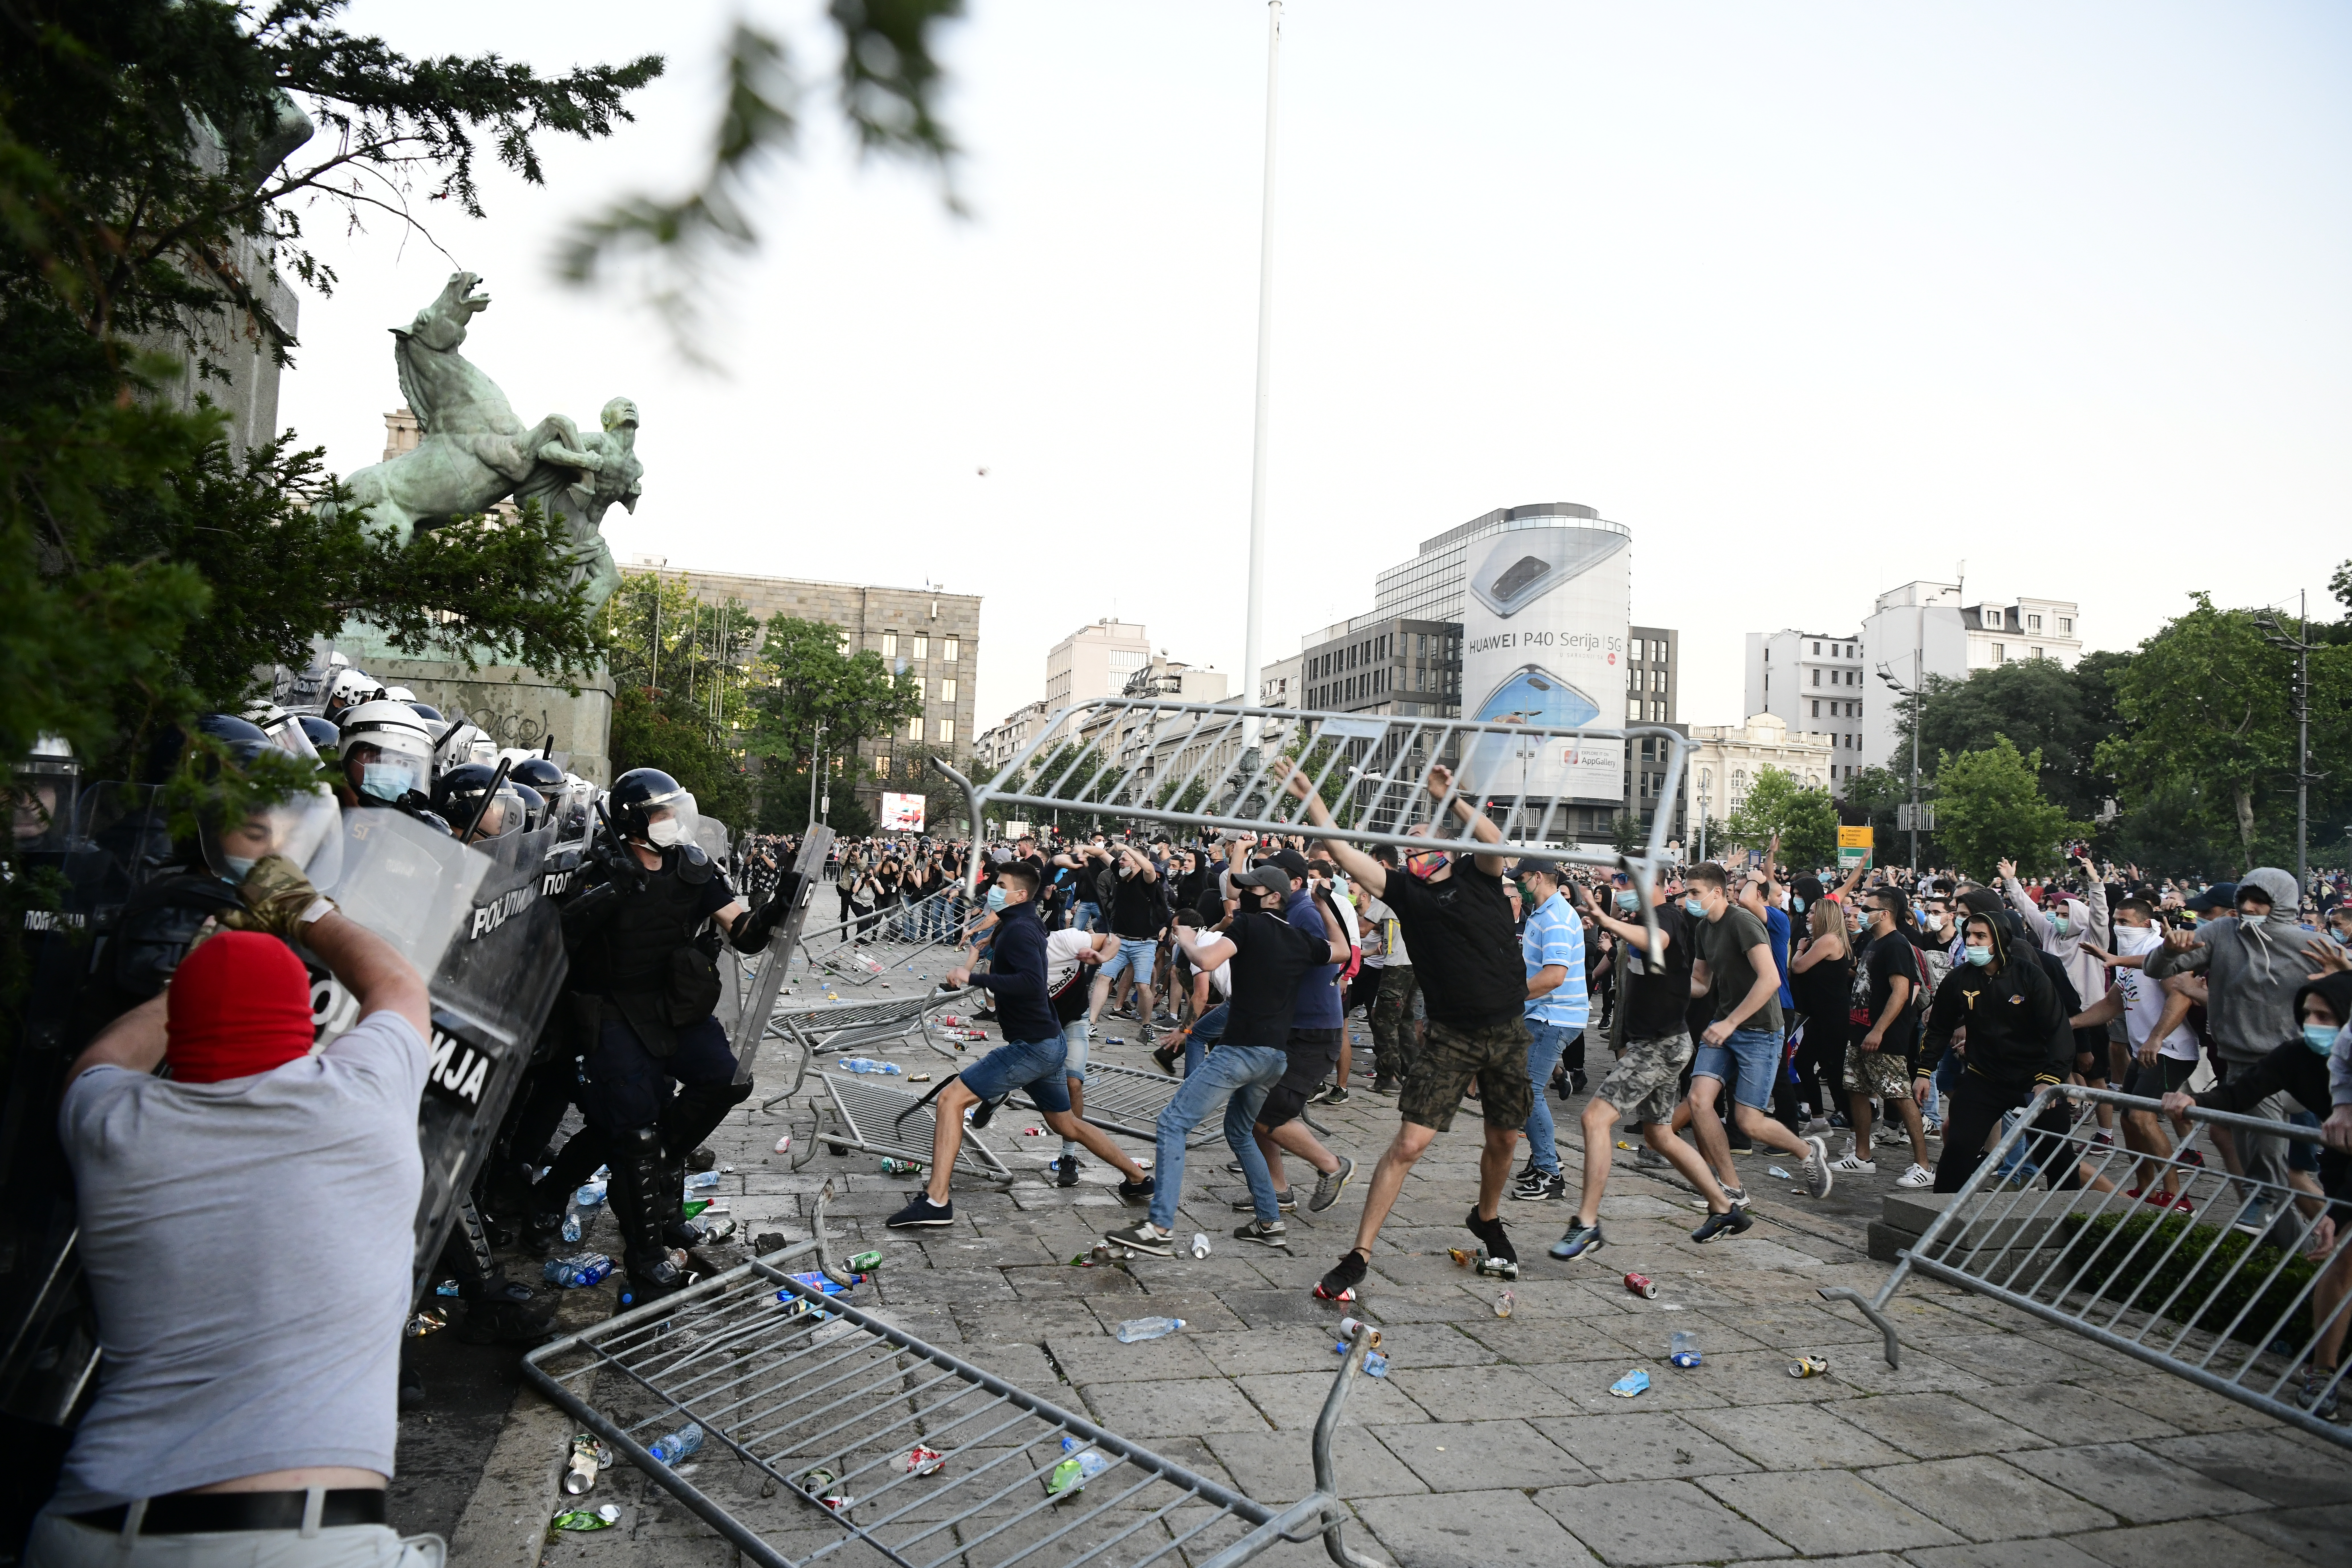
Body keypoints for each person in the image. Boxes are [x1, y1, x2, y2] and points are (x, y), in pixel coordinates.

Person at [30, 859, 442, 1565]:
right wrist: (305, 910)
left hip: (91, 1527)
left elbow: (104, 1057)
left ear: (178, 1029)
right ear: (305, 1024)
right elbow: (398, 987)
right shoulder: (363, 1100)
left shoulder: (112, 1126)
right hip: (298, 1543)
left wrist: (185, 984)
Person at [1271, 760, 1529, 1301]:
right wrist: (1311, 796)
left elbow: (1495, 840)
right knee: (1410, 1143)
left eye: (1422, 840)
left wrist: (1452, 799)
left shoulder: (1479, 874)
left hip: (1506, 1029)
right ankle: (1359, 1254)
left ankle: (1486, 1217)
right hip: (1452, 1035)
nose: (1414, 849)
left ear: (1447, 847)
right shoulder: (1407, 894)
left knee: (1505, 1137)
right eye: (1408, 844)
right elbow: (1344, 852)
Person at [541, 769, 796, 1303]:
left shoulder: (691, 865)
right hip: (613, 1011)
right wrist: (606, 891)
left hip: (675, 1007)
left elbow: (744, 934)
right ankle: (646, 1252)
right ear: (635, 822)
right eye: (662, 813)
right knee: (632, 1128)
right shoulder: (599, 870)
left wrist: (778, 903)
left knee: (727, 1080)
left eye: (675, 810)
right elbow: (560, 937)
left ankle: (650, 1175)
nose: (673, 820)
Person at [1102, 863, 1353, 1254]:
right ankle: (1269, 1222)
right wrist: (1324, 906)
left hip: (1240, 1051)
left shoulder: (1249, 926)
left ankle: (1160, 1226)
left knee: (1173, 1123)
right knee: (1239, 1130)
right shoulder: (1299, 937)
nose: (1242, 896)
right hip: (1274, 1057)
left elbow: (1207, 961)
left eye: (1252, 889)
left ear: (1274, 897)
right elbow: (1342, 950)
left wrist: (1187, 939)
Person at [888, 864, 1153, 1228]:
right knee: (1066, 1123)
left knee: (951, 1100)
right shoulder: (1023, 922)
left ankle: (937, 1200)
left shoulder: (1020, 930)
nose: (994, 890)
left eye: (1001, 885)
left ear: (1021, 895)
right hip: (1047, 1042)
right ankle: (1139, 1179)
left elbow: (1030, 981)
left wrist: (973, 975)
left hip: (1033, 1046)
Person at [1551, 867, 1769, 1260]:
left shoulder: (1666, 917)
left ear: (1652, 883)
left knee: (1594, 1120)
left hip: (1659, 1046)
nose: (1618, 888)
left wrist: (1608, 922)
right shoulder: (1642, 918)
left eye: (1625, 882)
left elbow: (1657, 940)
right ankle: (1725, 1209)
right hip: (1660, 1040)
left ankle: (1587, 1224)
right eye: (1617, 882)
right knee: (1660, 1135)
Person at [2162, 968, 2352, 1418]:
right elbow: (2243, 1092)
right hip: (2342, 1154)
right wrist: (2194, 1102)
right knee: (2343, 1262)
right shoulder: (2297, 1056)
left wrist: (2338, 1212)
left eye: (2326, 1017)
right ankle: (2322, 1371)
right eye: (2308, 1015)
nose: (2313, 1025)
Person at [2145, 868, 2331, 1230]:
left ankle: (2267, 1196)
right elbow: (2157, 969)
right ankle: (2289, 1239)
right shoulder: (2221, 932)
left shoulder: (2308, 943)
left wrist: (2344, 972)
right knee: (2248, 1158)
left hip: (2292, 1065)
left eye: (2259, 901)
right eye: (2244, 898)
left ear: (2282, 904)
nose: (2248, 907)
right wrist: (2168, 950)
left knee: (2269, 1142)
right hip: (2237, 1064)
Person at [1681, 863, 1832, 1207]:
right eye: (1687, 892)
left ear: (1717, 892)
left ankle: (1807, 1150)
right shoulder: (1704, 928)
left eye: (1694, 892)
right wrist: (1670, 985)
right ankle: (1732, 1188)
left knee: (1749, 1122)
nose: (1689, 899)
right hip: (1725, 1026)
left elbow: (1771, 979)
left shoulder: (1743, 922)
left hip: (1760, 1030)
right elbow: (1701, 982)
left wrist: (1731, 1023)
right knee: (1699, 1102)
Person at [1914, 911, 2080, 1192]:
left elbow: (2059, 1032)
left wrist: (2051, 1079)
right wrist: (1924, 1071)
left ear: (2000, 940)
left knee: (2055, 1154)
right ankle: (1943, 1213)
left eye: (1981, 936)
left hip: (2035, 1079)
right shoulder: (1959, 979)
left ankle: (2071, 1213)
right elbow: (1939, 1028)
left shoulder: (2030, 976)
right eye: (1969, 935)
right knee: (1958, 1149)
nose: (1972, 942)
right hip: (1984, 1078)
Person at [1834, 885, 1936, 1187]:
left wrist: (1879, 1030)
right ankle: (1862, 1156)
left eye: (1867, 909)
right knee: (1856, 1089)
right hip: (1860, 1031)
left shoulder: (1896, 945)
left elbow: (1901, 992)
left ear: (1885, 914)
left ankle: (1924, 1165)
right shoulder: (1874, 944)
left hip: (1884, 1037)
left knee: (1899, 1095)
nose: (1861, 913)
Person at [1510, 861, 1587, 1202]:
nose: (1518, 886)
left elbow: (1555, 976)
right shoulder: (1543, 913)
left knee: (1527, 1091)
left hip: (1554, 1016)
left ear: (1539, 877)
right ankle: (1546, 1156)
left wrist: (1509, 997)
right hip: (1543, 1013)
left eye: (1522, 880)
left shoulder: (1555, 917)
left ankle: (1550, 1173)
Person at [1362, 846, 1420, 1095]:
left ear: (1383, 865)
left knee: (1384, 1021)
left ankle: (1390, 1078)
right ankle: (1414, 1075)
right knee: (1405, 1020)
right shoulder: (1412, 885)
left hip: (1397, 964)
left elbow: (1363, 928)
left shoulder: (1387, 888)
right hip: (1416, 962)